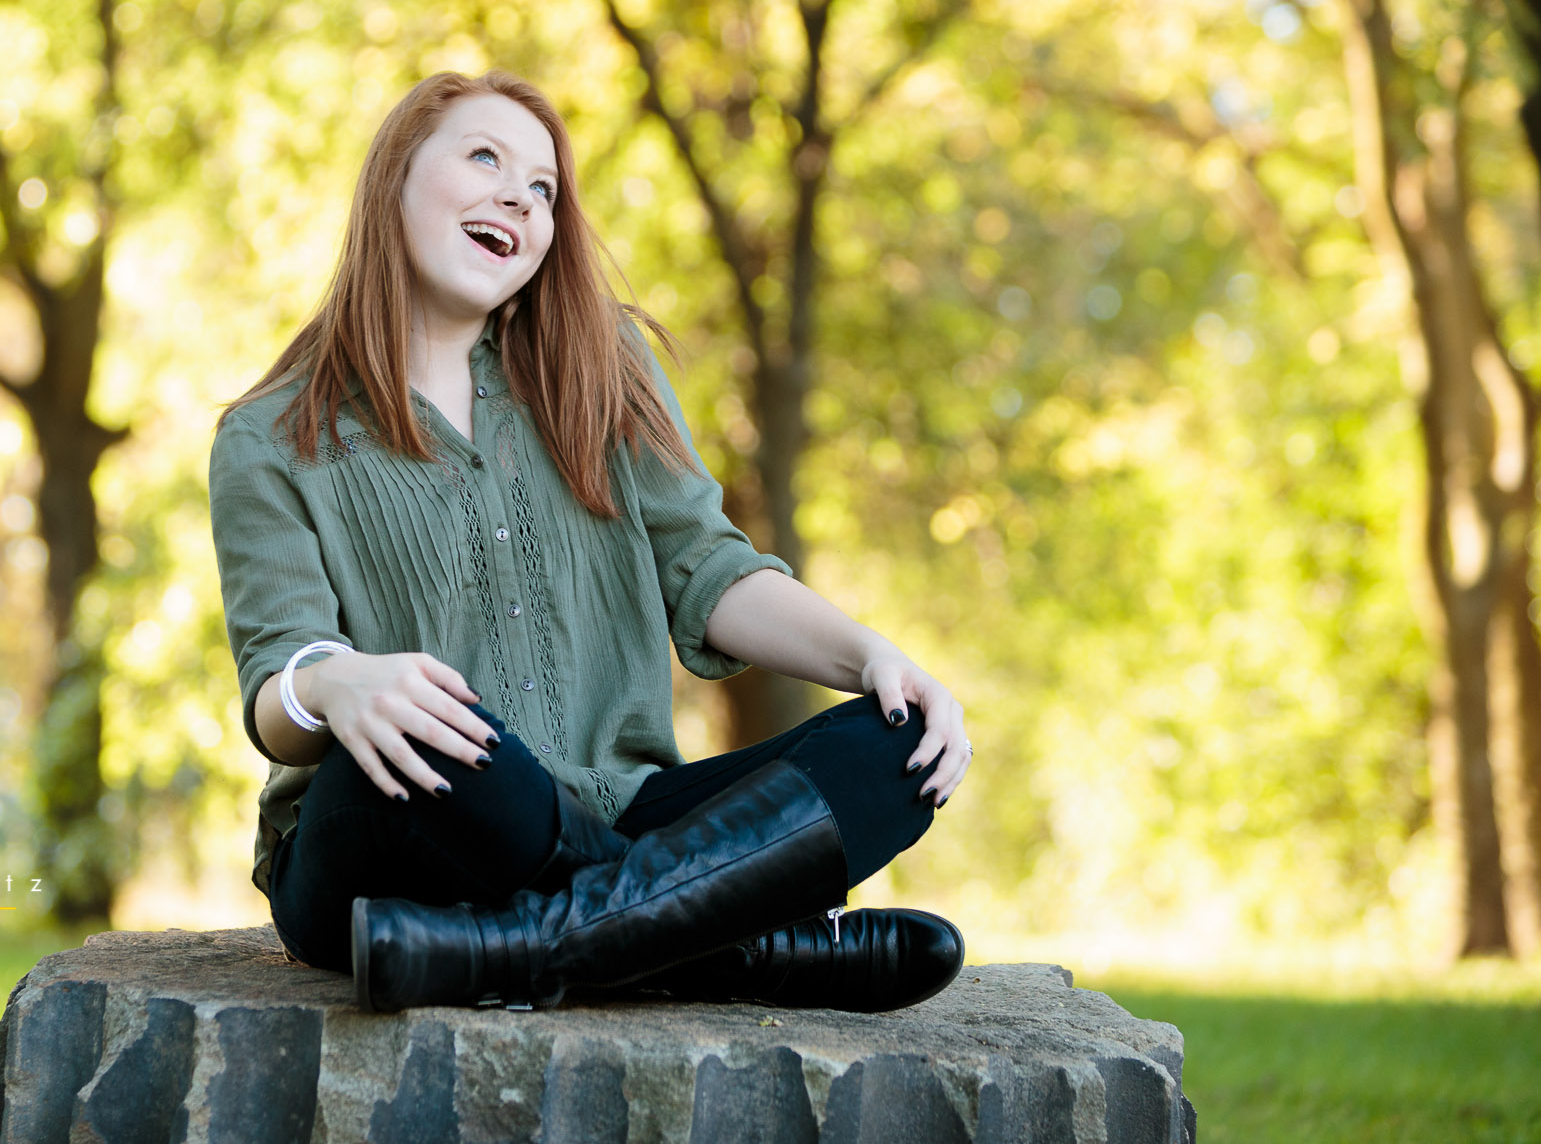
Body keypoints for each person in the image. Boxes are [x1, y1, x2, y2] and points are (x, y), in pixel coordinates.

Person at [208, 68, 973, 1013]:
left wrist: (871, 657)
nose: (518, 199)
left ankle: (513, 950)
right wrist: (335, 684)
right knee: (425, 728)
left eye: (543, 190)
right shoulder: (270, 435)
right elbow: (277, 680)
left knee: (895, 746)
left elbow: (711, 570)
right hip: (401, 822)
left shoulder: (603, 365)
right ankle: (734, 944)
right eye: (486, 157)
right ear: (394, 176)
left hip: (619, 804)